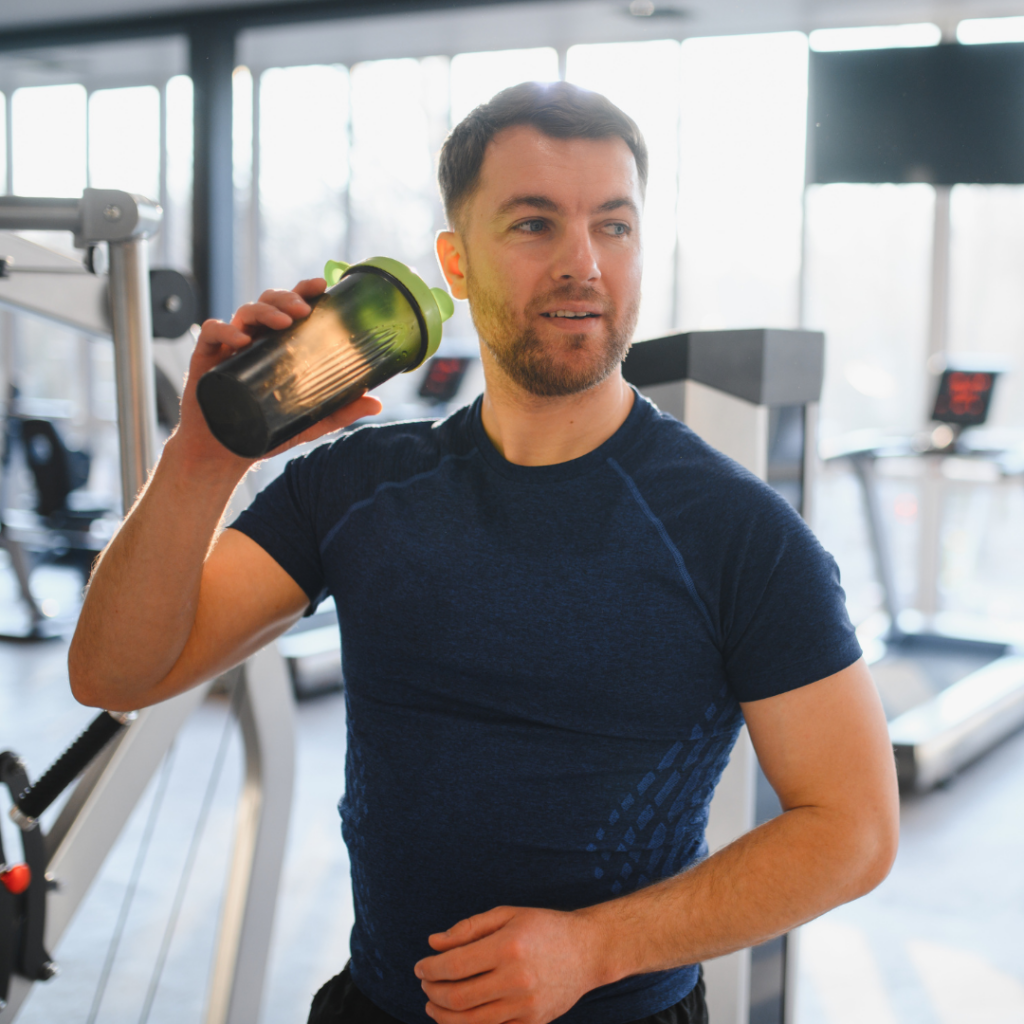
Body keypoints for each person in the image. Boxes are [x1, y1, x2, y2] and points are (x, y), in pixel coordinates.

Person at [69, 81, 899, 1024]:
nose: (583, 263)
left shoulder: (740, 533)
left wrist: (597, 948)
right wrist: (203, 458)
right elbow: (115, 673)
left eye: (614, 226)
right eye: (534, 224)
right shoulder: (356, 485)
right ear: (455, 264)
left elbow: (854, 829)